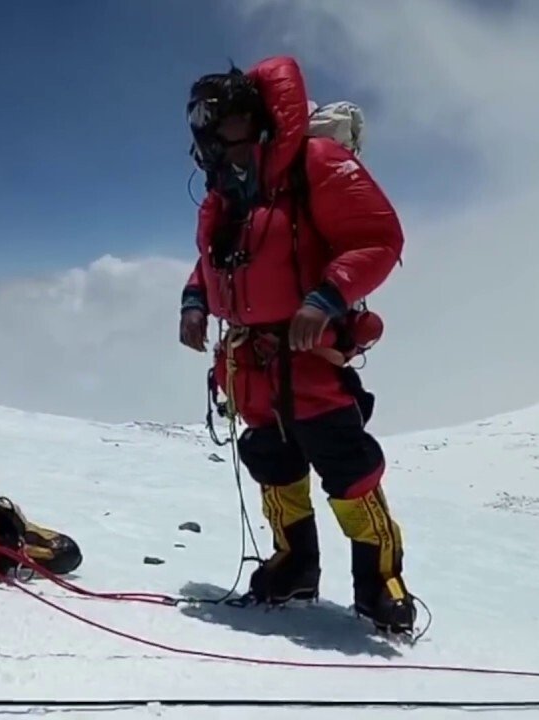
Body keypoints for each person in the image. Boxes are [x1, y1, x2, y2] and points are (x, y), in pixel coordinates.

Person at [178, 57, 416, 635]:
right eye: (208, 123)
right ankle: (294, 565)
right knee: (272, 463)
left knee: (346, 463)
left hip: (308, 355)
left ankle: (381, 583)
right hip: (249, 363)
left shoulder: (315, 163)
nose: (216, 134)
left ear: (259, 120)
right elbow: (213, 263)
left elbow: (376, 237)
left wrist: (325, 298)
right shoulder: (224, 194)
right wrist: (194, 303)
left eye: (229, 121)